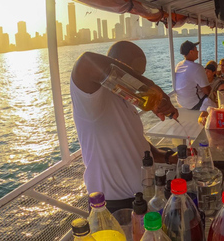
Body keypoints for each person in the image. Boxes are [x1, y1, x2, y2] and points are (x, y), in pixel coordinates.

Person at [70, 41, 179, 212]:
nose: (135, 83)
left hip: (143, 199)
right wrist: (149, 86)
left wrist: (165, 156)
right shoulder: (91, 100)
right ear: (115, 65)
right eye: (133, 74)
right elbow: (86, 62)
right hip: (112, 208)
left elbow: (132, 139)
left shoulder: (124, 100)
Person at [174, 41, 211, 110]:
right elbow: (207, 91)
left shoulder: (179, 65)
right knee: (214, 100)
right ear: (191, 52)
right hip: (194, 104)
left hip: (181, 102)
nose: (198, 51)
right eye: (196, 49)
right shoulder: (197, 68)